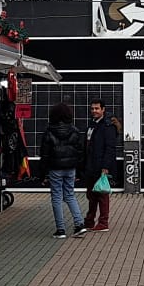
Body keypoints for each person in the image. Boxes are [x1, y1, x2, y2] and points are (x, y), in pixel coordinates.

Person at [42, 101, 88, 238]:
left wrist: (43, 173)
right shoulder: (74, 130)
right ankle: (79, 224)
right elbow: (80, 152)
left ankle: (60, 229)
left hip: (55, 168)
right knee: (70, 195)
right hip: (70, 168)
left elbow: (45, 154)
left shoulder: (49, 131)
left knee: (56, 197)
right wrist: (79, 170)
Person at [83, 100, 121, 232]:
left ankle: (103, 222)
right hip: (90, 165)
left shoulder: (107, 126)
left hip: (101, 166)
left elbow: (110, 148)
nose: (94, 111)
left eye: (97, 108)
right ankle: (89, 221)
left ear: (103, 109)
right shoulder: (92, 124)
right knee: (91, 194)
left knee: (102, 194)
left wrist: (105, 166)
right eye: (92, 108)